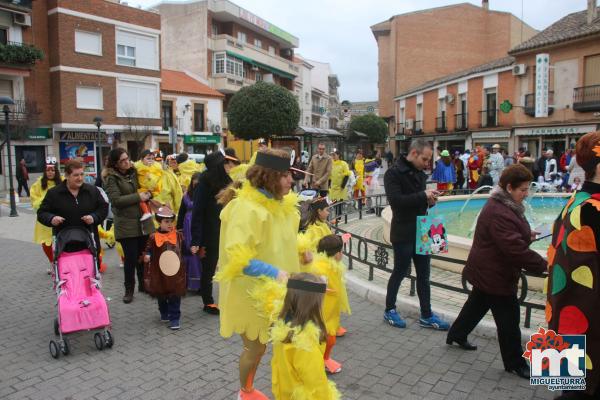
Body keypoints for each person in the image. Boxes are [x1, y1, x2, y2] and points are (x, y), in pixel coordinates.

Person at [446, 164, 546, 379]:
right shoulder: (500, 211)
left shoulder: (504, 204)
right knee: (509, 320)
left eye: (528, 189)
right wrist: (544, 265)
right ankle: (515, 363)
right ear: (509, 187)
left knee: (477, 304)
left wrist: (528, 234)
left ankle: (456, 334)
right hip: (494, 273)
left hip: (489, 269)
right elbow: (514, 249)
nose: (526, 194)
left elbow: (511, 237)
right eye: (523, 190)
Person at [215, 148, 301, 400]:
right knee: (255, 347)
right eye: (285, 175)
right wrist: (275, 272)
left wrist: (305, 251)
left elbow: (283, 241)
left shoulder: (280, 205)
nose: (290, 181)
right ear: (269, 176)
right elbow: (238, 259)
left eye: (290, 174)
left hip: (278, 291)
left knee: (280, 342)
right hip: (250, 291)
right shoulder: (246, 209)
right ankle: (245, 392)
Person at [547, 131, 600, 399]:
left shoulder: (575, 200)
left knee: (569, 387)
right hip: (588, 317)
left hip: (565, 308)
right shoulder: (594, 207)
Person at [383, 139, 449, 330]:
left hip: (423, 230)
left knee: (424, 275)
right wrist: (423, 196)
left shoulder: (420, 173)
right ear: (413, 154)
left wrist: (430, 201)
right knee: (400, 272)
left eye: (429, 160)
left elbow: (420, 201)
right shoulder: (393, 173)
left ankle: (427, 315)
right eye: (425, 159)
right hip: (403, 231)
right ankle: (389, 309)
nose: (427, 164)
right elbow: (396, 202)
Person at [270, 273, 341, 400]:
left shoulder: (282, 325)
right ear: (313, 305)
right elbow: (317, 383)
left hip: (285, 391)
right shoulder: (306, 345)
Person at [103, 148, 155, 304]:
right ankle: (129, 289)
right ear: (115, 164)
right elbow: (116, 201)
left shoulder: (134, 172)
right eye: (122, 160)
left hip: (142, 221)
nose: (127, 162)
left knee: (143, 256)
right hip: (126, 224)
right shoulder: (111, 178)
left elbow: (144, 188)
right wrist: (138, 197)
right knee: (130, 259)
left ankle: (143, 285)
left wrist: (149, 192)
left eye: (127, 158)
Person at [190, 151, 238, 315]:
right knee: (209, 268)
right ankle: (208, 301)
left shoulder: (227, 181)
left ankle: (229, 297)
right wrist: (196, 240)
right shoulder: (205, 182)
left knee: (228, 265)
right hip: (210, 233)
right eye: (225, 163)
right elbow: (197, 211)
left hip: (227, 230)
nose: (228, 166)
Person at [37, 159, 108, 259]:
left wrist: (94, 217)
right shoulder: (54, 193)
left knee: (90, 273)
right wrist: (51, 218)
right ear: (66, 175)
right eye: (76, 175)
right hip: (64, 246)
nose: (80, 178)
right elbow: (42, 213)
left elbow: (103, 208)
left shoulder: (92, 191)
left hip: (89, 244)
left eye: (82, 174)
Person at [310, 235, 351, 374]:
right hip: (321, 313)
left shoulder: (333, 265)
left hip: (331, 311)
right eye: (341, 251)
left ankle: (325, 359)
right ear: (336, 254)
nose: (342, 254)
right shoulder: (320, 269)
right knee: (325, 339)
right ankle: (319, 362)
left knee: (330, 339)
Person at [143, 205, 186, 330]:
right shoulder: (153, 237)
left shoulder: (178, 236)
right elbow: (148, 250)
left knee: (175, 294)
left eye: (171, 221)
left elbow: (184, 248)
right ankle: (164, 312)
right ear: (159, 222)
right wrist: (148, 256)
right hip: (160, 272)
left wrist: (193, 249)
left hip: (175, 272)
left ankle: (175, 319)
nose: (169, 224)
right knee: (161, 293)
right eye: (166, 222)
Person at [30, 158, 62, 274]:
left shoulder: (62, 182)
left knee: (60, 241)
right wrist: (46, 200)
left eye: (53, 170)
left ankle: (60, 262)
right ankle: (52, 263)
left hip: (60, 217)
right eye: (48, 170)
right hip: (44, 220)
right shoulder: (38, 184)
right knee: (46, 243)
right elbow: (34, 201)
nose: (50, 172)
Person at [176, 172, 201, 291]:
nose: (196, 185)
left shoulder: (204, 196)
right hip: (187, 226)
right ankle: (186, 282)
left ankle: (200, 284)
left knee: (198, 253)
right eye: (194, 183)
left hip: (199, 225)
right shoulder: (186, 195)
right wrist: (179, 229)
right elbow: (181, 213)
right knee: (187, 252)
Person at [134, 150, 162, 221]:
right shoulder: (136, 168)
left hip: (153, 194)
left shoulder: (157, 169)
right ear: (141, 159)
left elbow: (158, 183)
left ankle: (148, 213)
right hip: (141, 191)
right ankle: (147, 212)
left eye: (153, 159)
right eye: (148, 158)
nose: (151, 160)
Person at [329, 149, 350, 219]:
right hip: (333, 187)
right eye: (332, 155)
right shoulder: (331, 163)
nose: (333, 156)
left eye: (334, 155)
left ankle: (339, 217)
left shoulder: (343, 164)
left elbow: (347, 175)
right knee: (334, 202)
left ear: (338, 155)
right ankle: (336, 216)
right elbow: (329, 175)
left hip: (340, 187)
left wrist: (343, 185)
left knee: (339, 203)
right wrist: (329, 185)